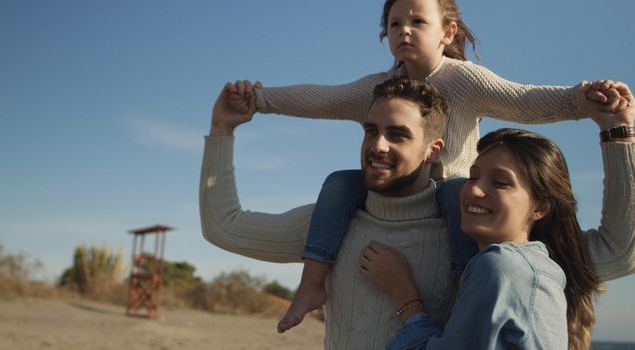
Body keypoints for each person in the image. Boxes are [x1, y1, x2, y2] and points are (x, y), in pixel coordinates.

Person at [226, 0, 629, 332]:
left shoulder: (466, 80)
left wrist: (583, 100)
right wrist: (261, 99)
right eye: (395, 23)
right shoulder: (379, 89)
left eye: (418, 20)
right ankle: (312, 284)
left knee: (454, 190)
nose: (404, 29)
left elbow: (524, 100)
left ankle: (462, 282)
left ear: (447, 32)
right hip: (399, 187)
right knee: (339, 183)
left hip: (455, 196)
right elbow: (320, 98)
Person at [199, 77, 635, 349]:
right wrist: (222, 131)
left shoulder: (475, 234)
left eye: (397, 134)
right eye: (371, 130)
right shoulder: (329, 226)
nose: (378, 145)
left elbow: (620, 251)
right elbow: (225, 227)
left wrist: (618, 135)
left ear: (433, 150)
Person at [359, 92, 635, 349]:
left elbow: (621, 249)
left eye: (501, 182)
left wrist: (404, 294)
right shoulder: (533, 265)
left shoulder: (503, 266)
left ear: (541, 207)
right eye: (473, 176)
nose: (475, 190)